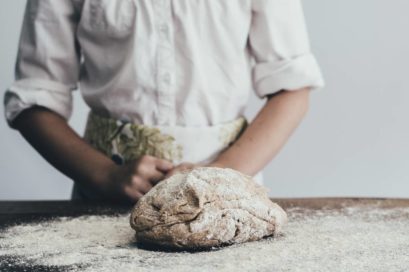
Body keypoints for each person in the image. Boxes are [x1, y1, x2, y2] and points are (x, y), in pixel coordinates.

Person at [3, 0, 325, 204]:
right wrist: (104, 176)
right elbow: (33, 99)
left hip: (229, 195)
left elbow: (292, 89)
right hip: (105, 198)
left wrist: (221, 174)